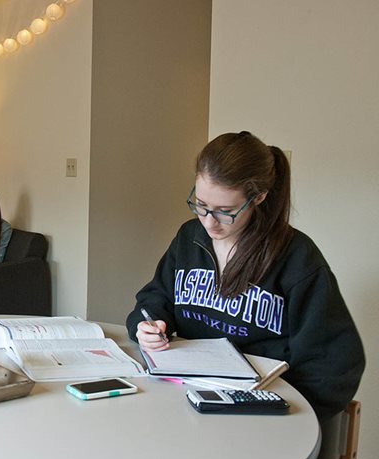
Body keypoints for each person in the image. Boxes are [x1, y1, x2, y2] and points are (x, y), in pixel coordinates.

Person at [126, 131, 364, 421]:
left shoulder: (296, 257)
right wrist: (147, 326)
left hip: (261, 411)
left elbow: (334, 363)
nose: (209, 221)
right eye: (200, 204)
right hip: (188, 398)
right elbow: (154, 299)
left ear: (258, 197)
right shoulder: (189, 238)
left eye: (225, 211)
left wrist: (281, 407)